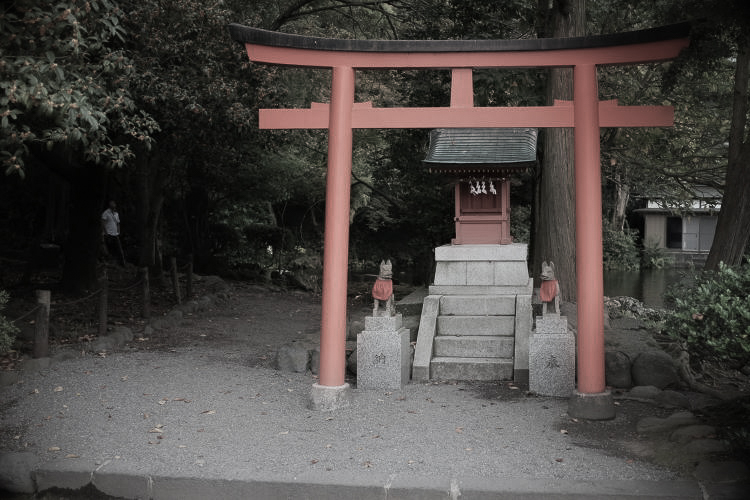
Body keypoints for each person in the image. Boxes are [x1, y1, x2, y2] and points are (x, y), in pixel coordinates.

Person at [101, 200, 126, 266]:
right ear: (109, 205)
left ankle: (122, 264)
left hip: (115, 234)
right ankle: (109, 263)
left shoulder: (116, 214)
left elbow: (118, 223)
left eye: (114, 203)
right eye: (112, 203)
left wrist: (118, 231)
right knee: (109, 250)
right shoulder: (106, 213)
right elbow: (102, 223)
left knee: (119, 249)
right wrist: (105, 233)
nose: (113, 205)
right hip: (108, 234)